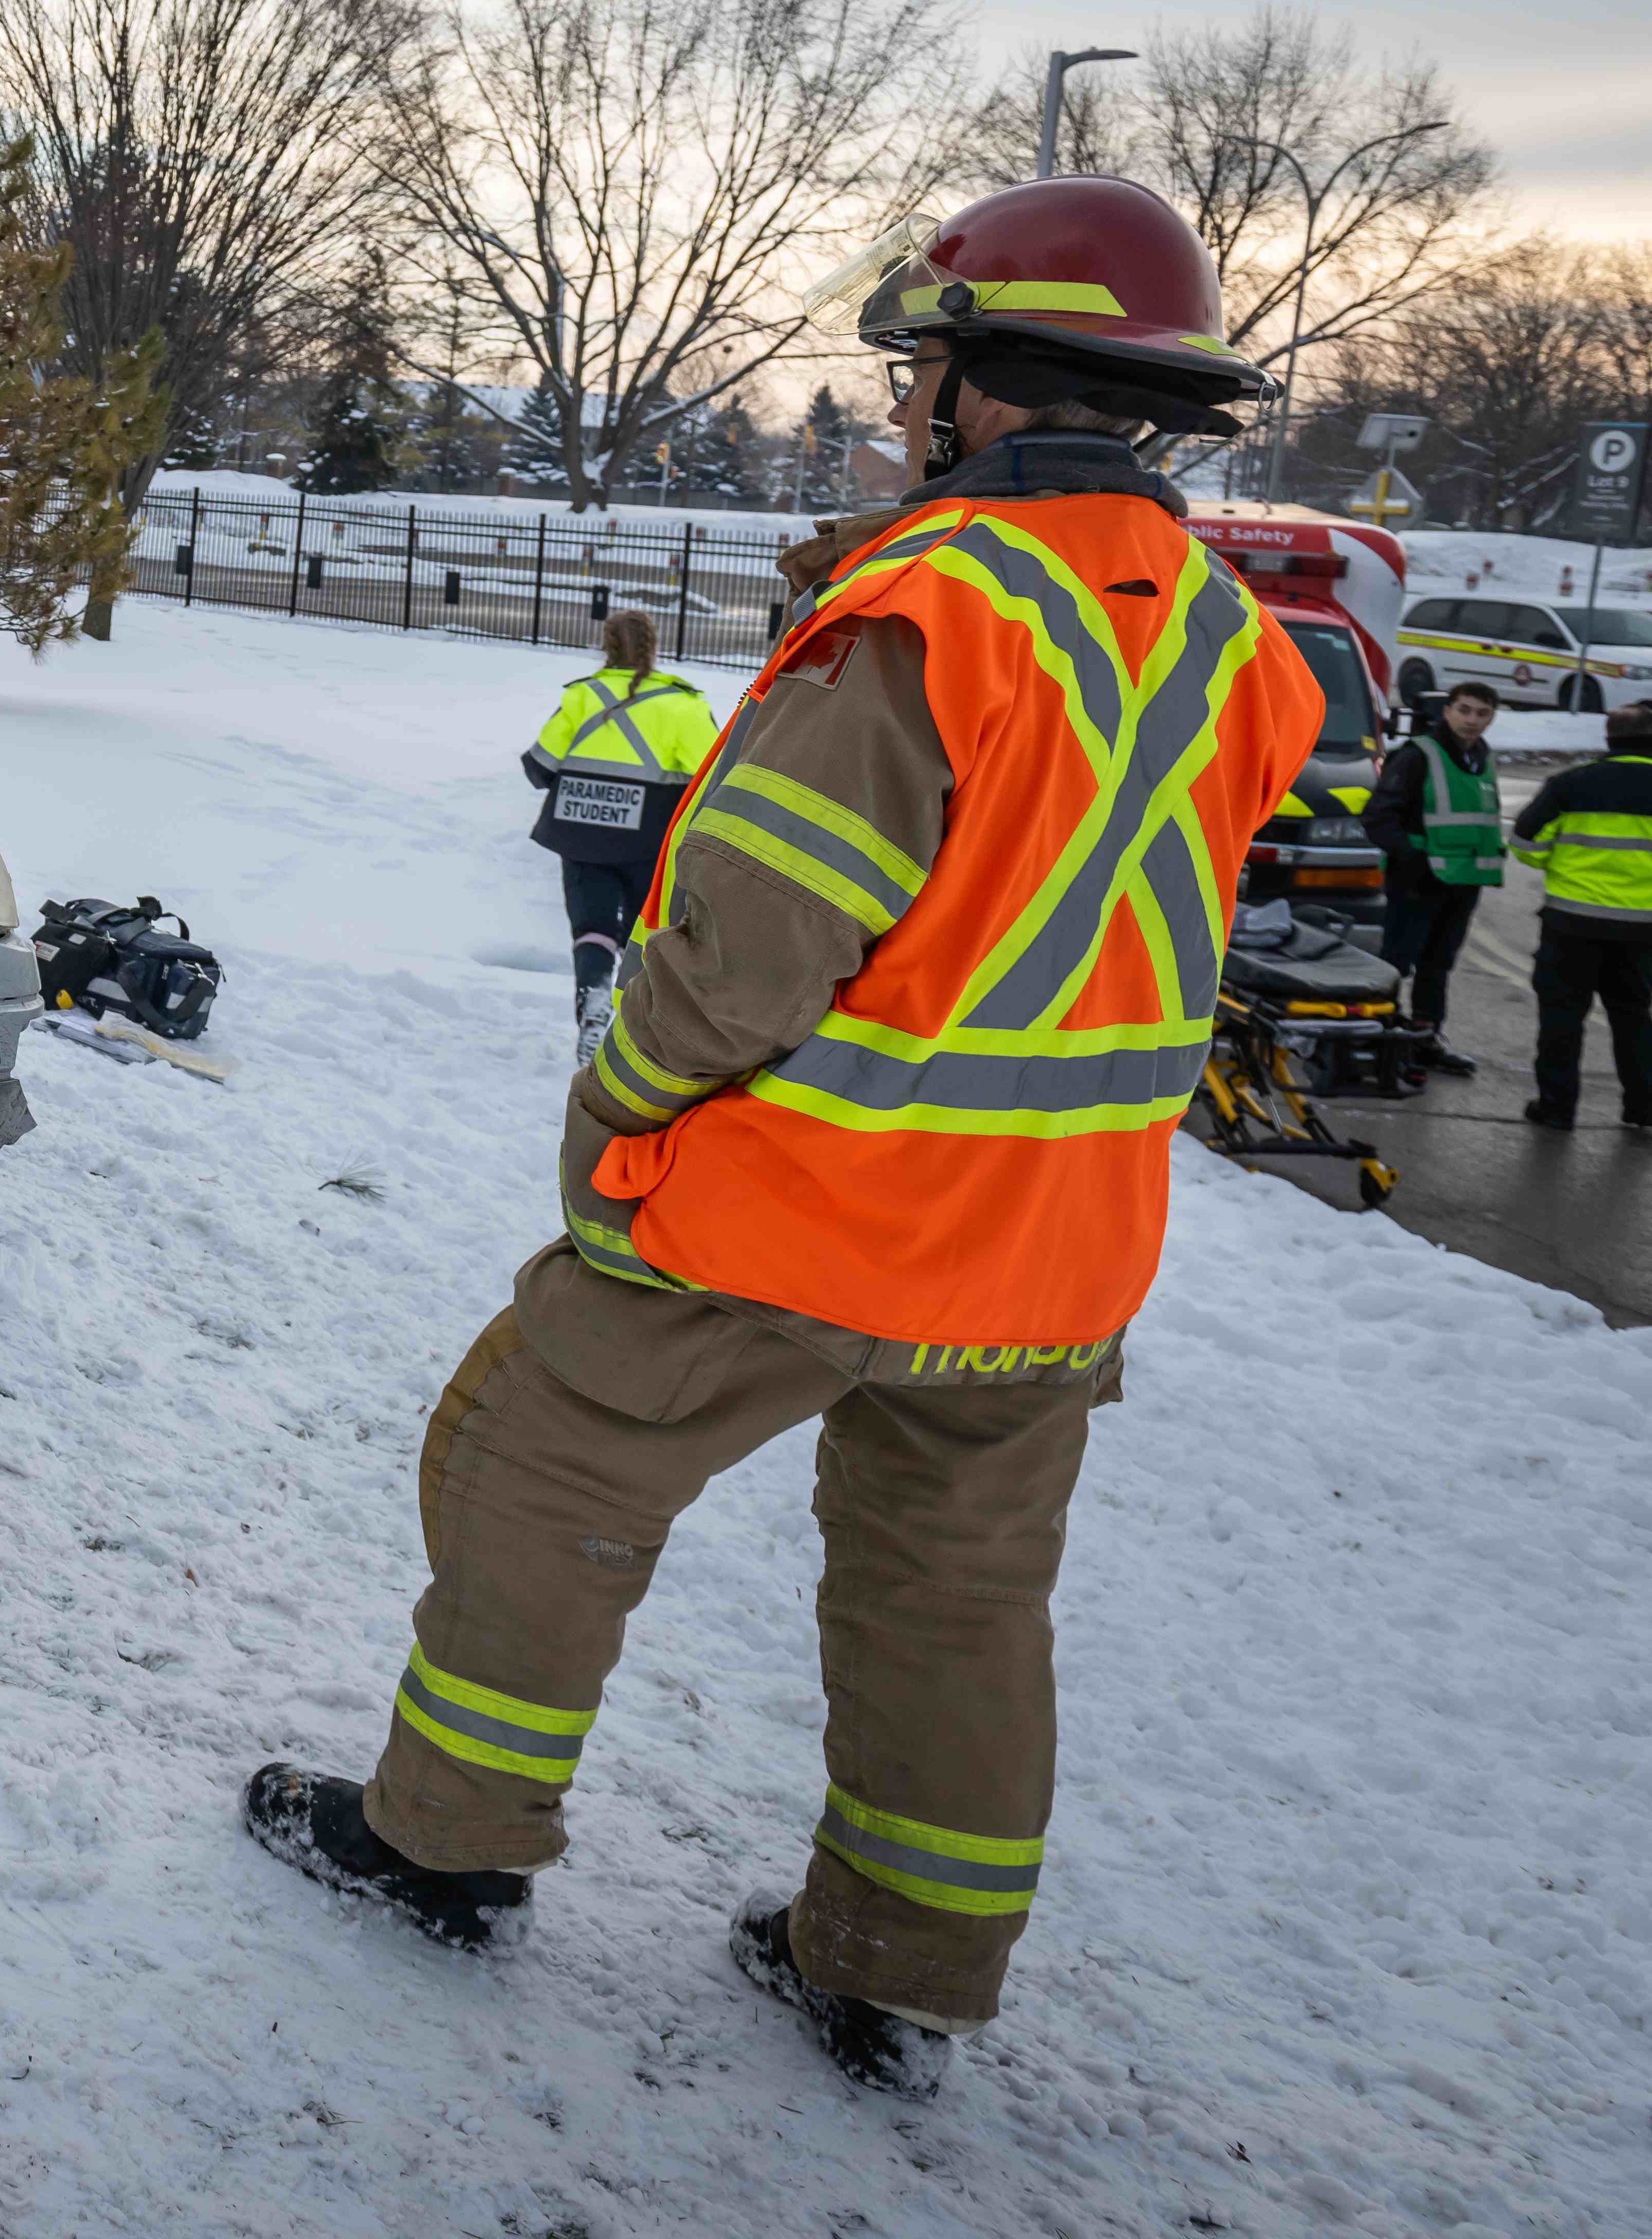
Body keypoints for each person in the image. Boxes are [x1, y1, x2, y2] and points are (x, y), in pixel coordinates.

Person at [243, 176, 1323, 2098]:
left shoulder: (927, 610)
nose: (901, 399)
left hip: (800, 1213)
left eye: (920, 364)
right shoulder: (1232, 639)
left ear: (988, 386)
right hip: (1056, 1251)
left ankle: (443, 1846)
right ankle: (894, 1963)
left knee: (532, 1466)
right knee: (955, 1601)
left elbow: (742, 951)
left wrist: (622, 1103)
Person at [521, 609, 719, 1063]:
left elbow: (538, 767)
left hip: (580, 835)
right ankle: (631, 1029)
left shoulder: (581, 697)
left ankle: (592, 997)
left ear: (605, 646)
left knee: (591, 926)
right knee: (642, 930)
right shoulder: (682, 705)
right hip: (647, 839)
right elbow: (711, 775)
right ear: (655, 646)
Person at [1508, 697, 1652, 1130]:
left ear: (1609, 739)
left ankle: (1556, 1108)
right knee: (1633, 1019)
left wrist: (1563, 864)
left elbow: (1525, 844)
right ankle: (1643, 1109)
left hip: (1571, 926)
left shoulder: (1569, 784)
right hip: (1642, 931)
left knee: (1562, 1021)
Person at [1363, 682, 1504, 1070]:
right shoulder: (1417, 756)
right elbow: (1378, 818)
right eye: (1465, 710)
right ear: (1447, 711)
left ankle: (1425, 1040)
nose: (1472, 720)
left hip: (1463, 883)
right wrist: (1414, 859)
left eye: (1482, 713)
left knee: (1438, 965)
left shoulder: (1482, 757)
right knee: (1396, 963)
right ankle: (1378, 1037)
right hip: (1418, 882)